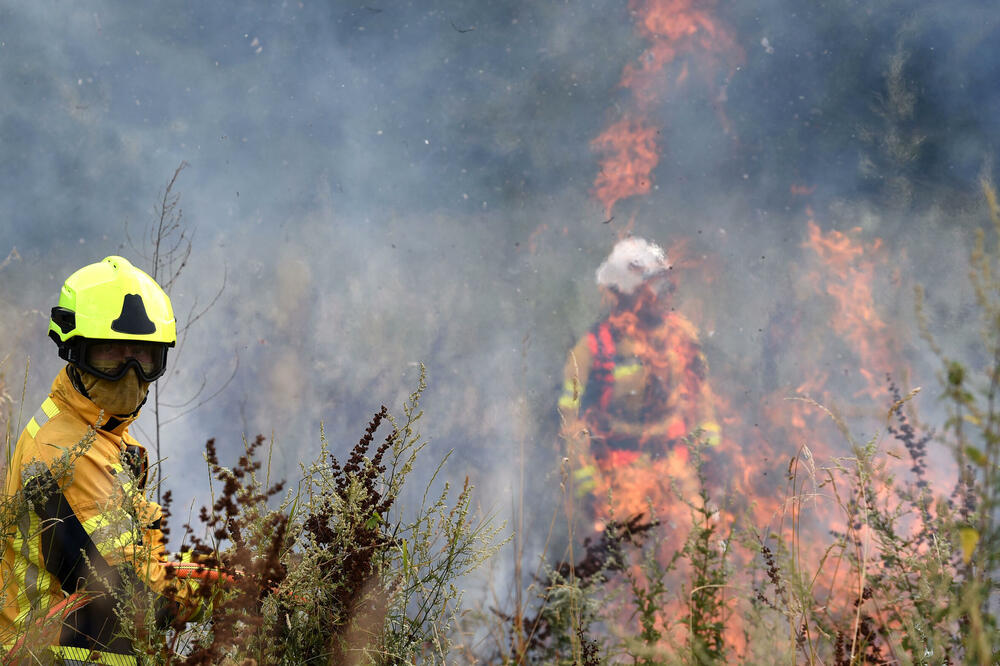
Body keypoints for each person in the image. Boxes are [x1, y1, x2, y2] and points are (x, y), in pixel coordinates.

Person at [1, 256, 207, 665]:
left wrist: (203, 570)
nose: (129, 374)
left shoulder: (97, 435)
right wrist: (212, 587)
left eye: (143, 358)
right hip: (50, 656)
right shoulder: (64, 454)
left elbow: (132, 561)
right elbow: (132, 601)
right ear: (74, 351)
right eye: (111, 355)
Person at [558, 237, 721, 531]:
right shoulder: (591, 349)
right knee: (625, 570)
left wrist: (710, 467)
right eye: (654, 286)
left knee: (701, 559)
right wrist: (590, 490)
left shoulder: (682, 337)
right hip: (619, 487)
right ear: (626, 293)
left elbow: (703, 407)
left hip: (677, 477)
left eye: (665, 283)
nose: (666, 293)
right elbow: (570, 424)